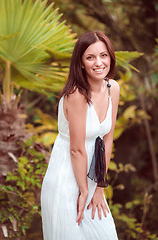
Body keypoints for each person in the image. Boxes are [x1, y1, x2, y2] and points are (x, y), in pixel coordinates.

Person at [41, 31, 119, 240]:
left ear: (111, 57)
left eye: (103, 55)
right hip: (66, 177)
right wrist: (84, 191)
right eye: (90, 57)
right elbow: (76, 149)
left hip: (91, 178)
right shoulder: (76, 94)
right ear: (81, 63)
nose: (99, 62)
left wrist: (99, 186)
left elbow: (108, 138)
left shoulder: (113, 88)